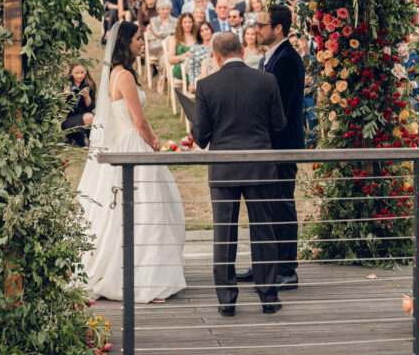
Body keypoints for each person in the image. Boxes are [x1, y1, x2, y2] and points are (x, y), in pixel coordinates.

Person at [77, 21, 186, 303]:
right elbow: (139, 121)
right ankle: (146, 281)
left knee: (132, 210)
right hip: (133, 145)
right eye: (138, 38)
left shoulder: (115, 74)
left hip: (124, 144)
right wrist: (154, 141)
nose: (142, 42)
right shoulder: (123, 75)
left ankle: (134, 272)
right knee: (146, 210)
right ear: (126, 42)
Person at [193, 32, 286, 316]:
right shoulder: (266, 81)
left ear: (216, 56)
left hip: (224, 168)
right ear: (243, 51)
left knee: (224, 234)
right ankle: (269, 297)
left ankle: (227, 301)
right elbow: (279, 124)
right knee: (264, 232)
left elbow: (200, 136)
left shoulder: (206, 85)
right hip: (260, 165)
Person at [242, 4, 305, 289]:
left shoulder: (287, 60)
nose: (256, 30)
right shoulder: (270, 58)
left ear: (277, 28)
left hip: (281, 145)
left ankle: (286, 269)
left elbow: (278, 106)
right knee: (265, 206)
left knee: (281, 205)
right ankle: (266, 264)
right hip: (266, 145)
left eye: (261, 25)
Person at [62, 63, 96, 146]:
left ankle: (88, 139)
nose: (80, 76)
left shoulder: (90, 84)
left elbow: (91, 107)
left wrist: (86, 96)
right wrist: (64, 96)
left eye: (82, 72)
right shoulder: (66, 85)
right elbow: (61, 109)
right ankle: (76, 138)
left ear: (86, 72)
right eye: (76, 73)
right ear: (71, 73)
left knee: (90, 117)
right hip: (70, 119)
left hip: (86, 115)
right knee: (89, 118)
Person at [147, 0, 175, 92]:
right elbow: (158, 33)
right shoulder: (154, 20)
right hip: (155, 46)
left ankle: (161, 78)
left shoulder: (175, 20)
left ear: (170, 10)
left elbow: (176, 33)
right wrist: (171, 34)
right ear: (158, 10)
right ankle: (164, 77)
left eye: (167, 9)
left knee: (165, 53)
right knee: (165, 49)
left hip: (167, 47)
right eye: (162, 9)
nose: (165, 11)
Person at [167, 12, 196, 83]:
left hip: (195, 64)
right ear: (181, 24)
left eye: (189, 22)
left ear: (193, 23)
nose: (187, 25)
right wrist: (185, 55)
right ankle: (195, 89)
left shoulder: (196, 36)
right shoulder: (174, 38)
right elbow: (170, 59)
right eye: (185, 22)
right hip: (180, 66)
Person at [187, 20, 215, 91]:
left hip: (215, 75)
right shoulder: (194, 48)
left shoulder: (217, 45)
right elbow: (191, 67)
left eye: (206, 29)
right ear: (199, 34)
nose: (205, 32)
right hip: (200, 78)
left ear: (211, 30)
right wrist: (191, 83)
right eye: (201, 31)